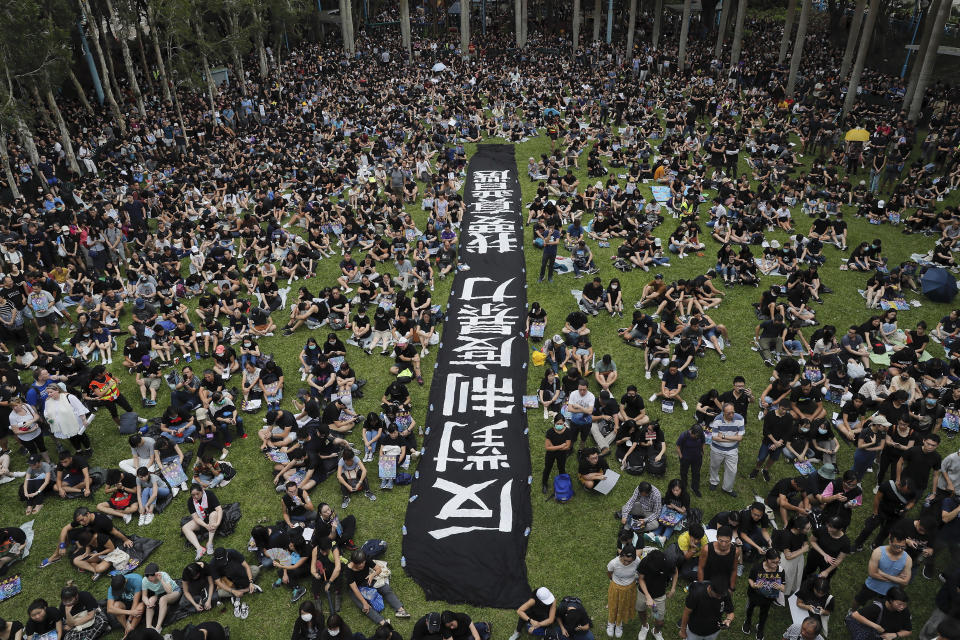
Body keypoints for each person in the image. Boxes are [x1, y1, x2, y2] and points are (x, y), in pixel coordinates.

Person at [343, 550, 410, 625]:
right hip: (355, 588)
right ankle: (383, 623)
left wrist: (372, 575)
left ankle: (400, 610)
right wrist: (364, 602)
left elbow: (379, 569)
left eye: (363, 562)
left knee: (385, 589)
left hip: (367, 580)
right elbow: (354, 588)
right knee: (364, 606)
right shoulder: (348, 571)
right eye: (359, 564)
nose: (362, 565)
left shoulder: (366, 559)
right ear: (354, 563)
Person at [854, 533, 913, 607]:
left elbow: (905, 582)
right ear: (890, 542)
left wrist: (882, 573)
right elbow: (872, 573)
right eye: (897, 546)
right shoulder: (878, 552)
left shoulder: (908, 559)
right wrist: (896, 579)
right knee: (859, 600)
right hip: (872, 585)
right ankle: (851, 612)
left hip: (890, 592)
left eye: (903, 547)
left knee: (880, 608)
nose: (900, 549)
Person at [743, 549, 786, 640]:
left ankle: (760, 628)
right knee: (750, 608)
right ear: (766, 559)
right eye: (773, 562)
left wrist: (780, 587)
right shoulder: (757, 568)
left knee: (764, 613)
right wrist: (754, 585)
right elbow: (750, 579)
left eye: (778, 562)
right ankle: (747, 622)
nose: (775, 565)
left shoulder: (780, 570)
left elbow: (783, 586)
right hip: (754, 594)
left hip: (768, 598)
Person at [636, 549, 677, 640]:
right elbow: (641, 579)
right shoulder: (646, 561)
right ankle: (644, 626)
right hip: (643, 592)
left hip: (659, 596)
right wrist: (648, 596)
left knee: (659, 621)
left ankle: (656, 631)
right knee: (641, 610)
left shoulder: (668, 563)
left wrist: (673, 588)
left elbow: (675, 572)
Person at [847, 587, 913, 640]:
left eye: (904, 604)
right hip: (868, 629)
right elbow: (855, 615)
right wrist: (876, 626)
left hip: (882, 635)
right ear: (890, 600)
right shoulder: (877, 608)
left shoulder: (904, 611)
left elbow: (908, 631)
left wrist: (895, 635)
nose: (902, 607)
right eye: (899, 604)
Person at [708, 403, 745, 497]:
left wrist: (723, 436)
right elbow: (715, 438)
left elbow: (740, 438)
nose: (732, 415)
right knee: (714, 466)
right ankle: (714, 481)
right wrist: (733, 437)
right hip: (717, 449)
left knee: (732, 470)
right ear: (723, 413)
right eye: (729, 413)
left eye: (733, 412)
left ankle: (727, 488)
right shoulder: (717, 420)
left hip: (732, 450)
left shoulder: (740, 419)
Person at [182, 484, 223, 560]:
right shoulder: (190, 501)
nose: (196, 497)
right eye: (193, 495)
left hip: (213, 518)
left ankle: (209, 543)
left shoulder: (209, 494)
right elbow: (196, 518)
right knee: (185, 528)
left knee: (213, 514)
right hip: (201, 521)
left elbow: (219, 509)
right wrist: (205, 525)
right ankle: (199, 548)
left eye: (197, 494)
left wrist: (218, 523)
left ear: (202, 491)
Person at [605, 544, 638, 638]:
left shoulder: (637, 561)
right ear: (621, 555)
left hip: (629, 589)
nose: (627, 563)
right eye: (625, 560)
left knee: (624, 606)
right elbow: (609, 573)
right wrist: (613, 581)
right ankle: (611, 623)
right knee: (614, 606)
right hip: (616, 588)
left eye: (629, 561)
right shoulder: (613, 563)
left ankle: (619, 624)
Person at [140, 562, 181, 633]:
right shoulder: (145, 580)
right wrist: (147, 603)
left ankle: (158, 627)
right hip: (159, 594)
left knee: (163, 599)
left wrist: (161, 580)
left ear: (157, 573)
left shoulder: (164, 575)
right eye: (147, 575)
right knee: (150, 601)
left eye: (152, 575)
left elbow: (169, 591)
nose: (149, 577)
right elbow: (144, 596)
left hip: (174, 591)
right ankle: (148, 627)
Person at [543, 414, 573, 494]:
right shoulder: (550, 432)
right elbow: (547, 447)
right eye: (557, 424)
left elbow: (567, 447)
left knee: (561, 468)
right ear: (554, 423)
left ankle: (562, 484)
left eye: (561, 424)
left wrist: (555, 447)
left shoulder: (567, 432)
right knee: (547, 468)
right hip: (551, 454)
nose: (559, 425)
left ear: (564, 423)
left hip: (562, 454)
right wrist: (560, 446)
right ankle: (544, 484)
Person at [676, 424, 705, 497]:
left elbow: (703, 442)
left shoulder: (700, 435)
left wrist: (702, 452)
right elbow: (678, 446)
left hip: (697, 458)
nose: (697, 437)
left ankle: (695, 488)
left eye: (698, 436)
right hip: (685, 458)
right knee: (683, 472)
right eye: (695, 436)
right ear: (691, 432)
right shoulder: (684, 435)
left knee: (696, 473)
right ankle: (684, 486)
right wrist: (681, 456)